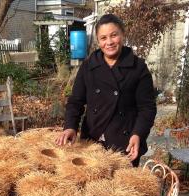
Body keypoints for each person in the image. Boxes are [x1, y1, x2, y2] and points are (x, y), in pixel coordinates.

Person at [56, 14, 156, 167]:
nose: (109, 42)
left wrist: (138, 135)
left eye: (113, 35)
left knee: (121, 189)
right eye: (103, 38)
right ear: (98, 40)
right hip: (91, 141)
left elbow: (147, 108)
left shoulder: (138, 68)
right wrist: (70, 126)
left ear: (122, 35)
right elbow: (76, 101)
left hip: (125, 142)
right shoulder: (88, 67)